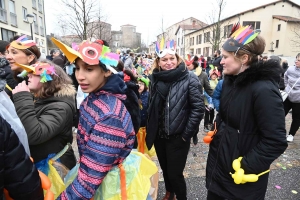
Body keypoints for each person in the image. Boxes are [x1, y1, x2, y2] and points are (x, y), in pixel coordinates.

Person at [205, 23, 288, 200]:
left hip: (241, 180)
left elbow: (275, 141)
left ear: (244, 58)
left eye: (226, 57)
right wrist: (218, 130)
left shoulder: (264, 90)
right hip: (219, 171)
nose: (221, 61)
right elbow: (226, 117)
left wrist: (245, 166)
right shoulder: (230, 81)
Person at [51, 38, 135, 199]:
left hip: (106, 189)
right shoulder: (95, 97)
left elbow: (90, 177)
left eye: (89, 69)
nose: (80, 76)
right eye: (77, 68)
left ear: (107, 71)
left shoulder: (109, 116)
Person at [146, 38, 204, 200]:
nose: (169, 62)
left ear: (178, 59)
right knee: (165, 168)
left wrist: (186, 134)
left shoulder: (189, 78)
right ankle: (170, 193)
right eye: (164, 59)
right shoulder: (155, 79)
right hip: (160, 135)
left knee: (175, 173)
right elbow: (153, 105)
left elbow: (198, 109)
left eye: (172, 58)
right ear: (158, 62)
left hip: (178, 136)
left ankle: (181, 196)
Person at [12, 61, 77, 170]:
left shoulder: (60, 107)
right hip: (42, 161)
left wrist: (23, 98)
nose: (29, 75)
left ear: (49, 78)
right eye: (28, 72)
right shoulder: (43, 99)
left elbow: (34, 134)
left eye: (34, 72)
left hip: (53, 167)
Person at [283, 53, 300, 142]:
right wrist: (286, 87)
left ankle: (291, 134)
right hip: (288, 96)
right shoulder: (290, 69)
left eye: (299, 60)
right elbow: (285, 76)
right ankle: (279, 131)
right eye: (296, 59)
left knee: (296, 118)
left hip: (298, 100)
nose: (296, 61)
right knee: (281, 114)